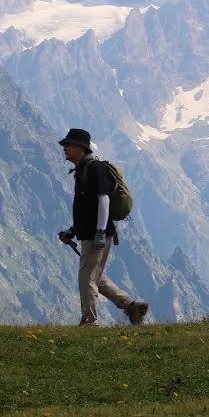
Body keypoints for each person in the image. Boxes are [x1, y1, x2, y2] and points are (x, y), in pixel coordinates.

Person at [57, 128, 148, 326]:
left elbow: (103, 200)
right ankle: (132, 307)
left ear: (80, 148)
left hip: (96, 234)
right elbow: (87, 208)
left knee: (86, 277)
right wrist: (72, 231)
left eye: (68, 145)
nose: (64, 148)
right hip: (90, 232)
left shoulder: (95, 168)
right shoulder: (83, 169)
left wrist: (99, 232)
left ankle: (89, 320)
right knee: (95, 277)